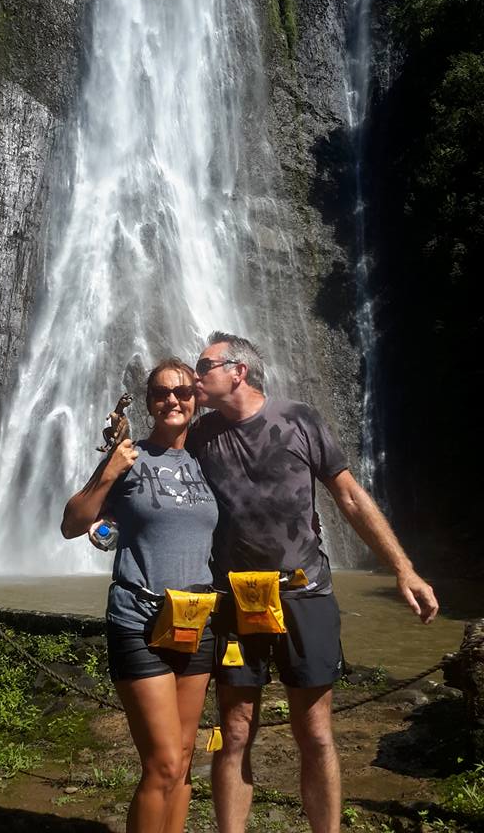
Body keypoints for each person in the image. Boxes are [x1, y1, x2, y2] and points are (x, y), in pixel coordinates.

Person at [188, 331, 439, 833]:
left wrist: (403, 568)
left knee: (317, 732)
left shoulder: (299, 419)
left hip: (305, 592)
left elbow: (349, 497)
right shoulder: (198, 435)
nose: (195, 376)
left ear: (238, 371)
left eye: (205, 365)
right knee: (233, 731)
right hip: (235, 600)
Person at [61, 358, 219, 833]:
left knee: (186, 760)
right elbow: (72, 525)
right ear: (149, 403)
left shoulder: (205, 462)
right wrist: (108, 472)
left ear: (196, 399)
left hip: (197, 619)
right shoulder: (130, 456)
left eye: (183, 392)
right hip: (139, 618)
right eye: (161, 393)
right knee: (164, 763)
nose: (173, 399)